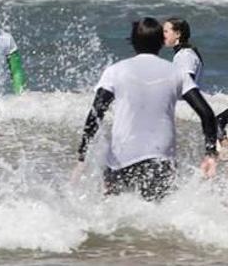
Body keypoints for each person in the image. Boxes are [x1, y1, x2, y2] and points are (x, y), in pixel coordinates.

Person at [73, 18, 217, 201]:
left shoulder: (116, 71)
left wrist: (82, 154)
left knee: (114, 211)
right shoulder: (176, 73)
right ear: (160, 41)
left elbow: (96, 112)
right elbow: (206, 114)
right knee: (157, 214)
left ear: (133, 42)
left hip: (122, 155)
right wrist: (210, 154)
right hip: (161, 156)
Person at [163, 17, 203, 83]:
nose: (162, 35)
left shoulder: (185, 55)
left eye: (165, 31)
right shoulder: (187, 52)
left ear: (177, 34)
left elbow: (187, 84)